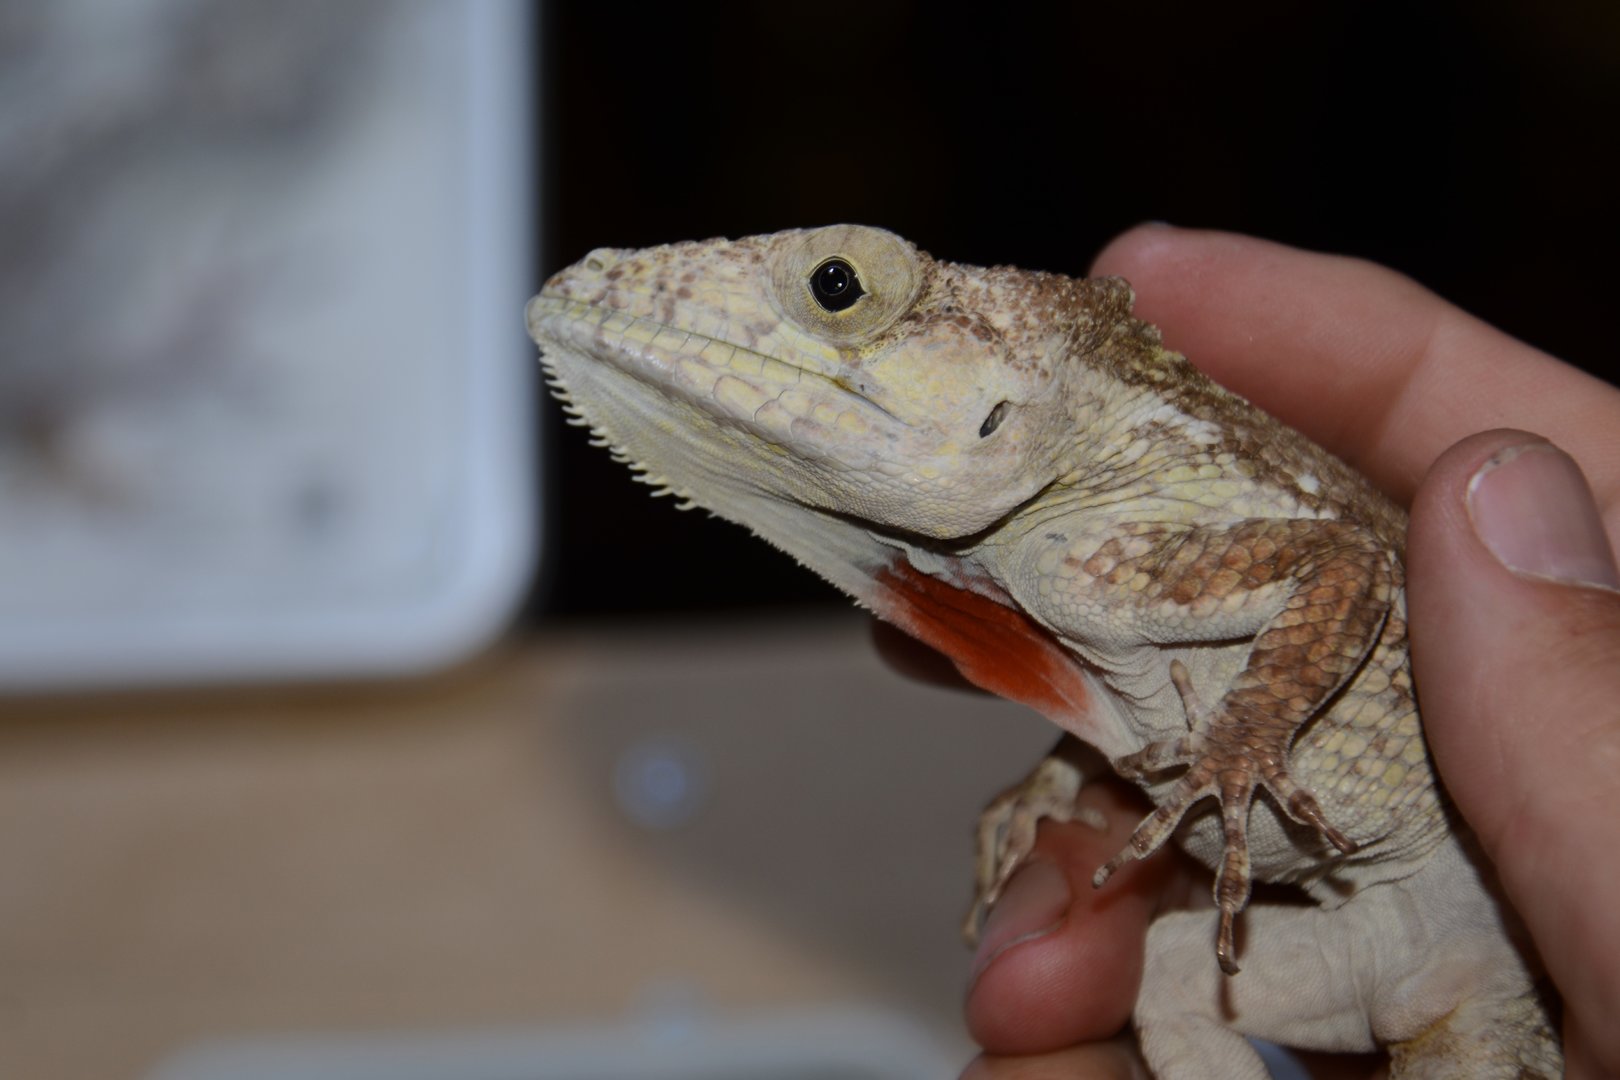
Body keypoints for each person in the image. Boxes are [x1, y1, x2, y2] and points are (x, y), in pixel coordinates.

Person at [939, 226, 1620, 1078]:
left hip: (1490, 901)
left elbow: (1344, 565)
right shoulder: (1084, 549)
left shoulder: (1118, 527)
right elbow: (1150, 675)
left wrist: (1250, 727)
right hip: (1382, 933)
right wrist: (1064, 772)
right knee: (1173, 980)